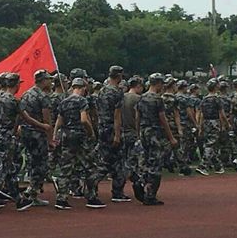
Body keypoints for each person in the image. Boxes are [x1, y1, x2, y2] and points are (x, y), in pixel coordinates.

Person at [0, 73, 33, 214]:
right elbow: (25, 118)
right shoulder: (14, 101)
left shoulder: (0, 99)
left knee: (9, 169)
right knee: (1, 169)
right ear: (16, 84)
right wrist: (43, 126)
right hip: (7, 137)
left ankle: (19, 200)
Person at [52, 77, 102, 210]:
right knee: (90, 166)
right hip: (79, 136)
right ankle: (92, 196)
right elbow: (84, 120)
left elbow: (59, 120)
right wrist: (91, 132)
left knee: (66, 167)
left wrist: (55, 135)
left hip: (66, 135)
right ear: (83, 88)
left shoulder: (64, 101)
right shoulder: (82, 101)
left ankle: (61, 198)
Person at [135, 73, 177, 205]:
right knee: (156, 163)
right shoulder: (158, 99)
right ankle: (150, 194)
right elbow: (163, 119)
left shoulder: (142, 98)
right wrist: (171, 137)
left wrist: (138, 132)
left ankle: (140, 181)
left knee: (146, 160)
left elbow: (137, 116)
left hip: (144, 131)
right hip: (154, 132)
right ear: (158, 83)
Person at [18, 69, 54, 206]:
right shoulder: (43, 97)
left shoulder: (26, 94)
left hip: (25, 132)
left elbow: (21, 113)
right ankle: (32, 192)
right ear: (43, 81)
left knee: (32, 162)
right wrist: (50, 139)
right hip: (38, 134)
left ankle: (31, 191)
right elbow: (47, 120)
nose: (50, 82)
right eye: (48, 79)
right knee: (42, 165)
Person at [95, 66, 129, 202]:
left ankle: (92, 186)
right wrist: (117, 135)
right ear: (119, 76)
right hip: (111, 129)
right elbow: (117, 115)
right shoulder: (117, 92)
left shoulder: (102, 91)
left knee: (105, 158)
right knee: (118, 161)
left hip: (102, 128)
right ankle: (117, 191)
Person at [196, 79, 229, 176]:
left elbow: (201, 114)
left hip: (206, 122)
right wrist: (226, 124)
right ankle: (203, 166)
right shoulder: (217, 99)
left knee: (211, 144)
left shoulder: (204, 99)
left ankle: (218, 166)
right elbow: (221, 114)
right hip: (214, 122)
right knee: (210, 145)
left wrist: (200, 127)